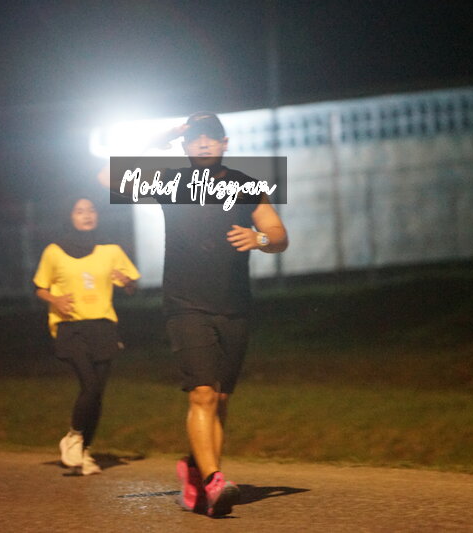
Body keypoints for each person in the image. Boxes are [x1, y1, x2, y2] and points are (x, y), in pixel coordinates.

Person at [103, 112, 288, 516]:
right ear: (185, 146)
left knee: (220, 399)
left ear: (225, 143)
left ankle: (196, 469)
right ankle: (214, 481)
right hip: (185, 305)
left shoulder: (247, 185)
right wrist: (154, 141)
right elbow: (108, 177)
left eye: (211, 137)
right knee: (202, 393)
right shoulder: (170, 181)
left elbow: (278, 236)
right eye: (195, 138)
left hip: (234, 306)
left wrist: (258, 238)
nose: (203, 143)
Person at [33, 197, 140, 475]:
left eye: (91, 210)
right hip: (71, 327)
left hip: (103, 326)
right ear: (69, 216)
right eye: (79, 211)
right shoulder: (54, 251)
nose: (87, 215)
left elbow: (131, 286)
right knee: (89, 385)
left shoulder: (110, 250)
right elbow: (40, 288)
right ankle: (73, 437)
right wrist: (55, 300)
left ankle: (84, 451)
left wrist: (128, 283)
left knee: (97, 393)